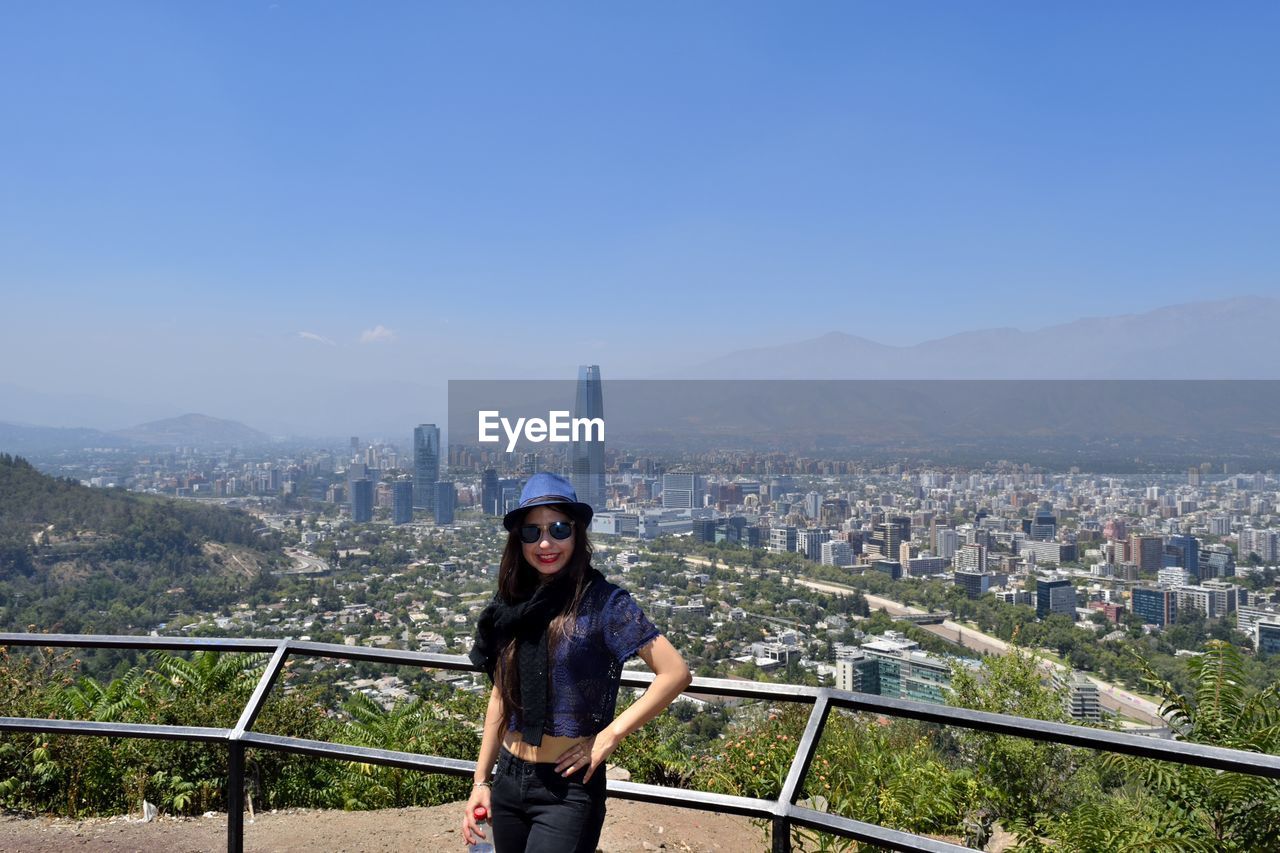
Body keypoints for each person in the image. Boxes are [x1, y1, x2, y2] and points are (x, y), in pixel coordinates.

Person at [462, 472, 691, 852]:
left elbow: (675, 673)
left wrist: (607, 738)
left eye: (558, 529)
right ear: (518, 541)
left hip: (566, 789)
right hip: (508, 778)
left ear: (577, 533)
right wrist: (481, 781)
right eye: (532, 532)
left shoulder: (604, 603)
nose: (546, 542)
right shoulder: (511, 605)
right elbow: (501, 697)